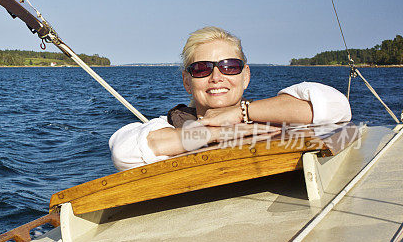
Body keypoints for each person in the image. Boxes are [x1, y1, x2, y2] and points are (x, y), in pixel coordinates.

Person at [109, 26, 352, 171]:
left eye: (230, 66)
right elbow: (124, 151)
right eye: (202, 68)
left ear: (245, 76)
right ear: (187, 81)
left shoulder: (272, 117)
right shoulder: (168, 126)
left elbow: (337, 108)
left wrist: (240, 114)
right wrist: (214, 132)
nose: (216, 77)